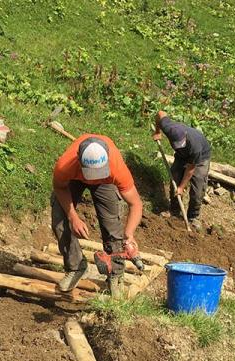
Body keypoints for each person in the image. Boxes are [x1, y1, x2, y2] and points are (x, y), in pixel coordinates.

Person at [52, 134, 143, 297]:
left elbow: (135, 203)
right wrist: (73, 216)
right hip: (75, 178)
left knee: (111, 226)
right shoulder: (65, 166)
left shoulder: (116, 168)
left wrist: (129, 235)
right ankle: (76, 267)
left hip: (106, 182)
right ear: (79, 161)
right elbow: (60, 188)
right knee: (60, 219)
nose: (94, 178)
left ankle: (115, 274)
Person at [152, 110, 212, 231]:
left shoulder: (195, 146)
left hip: (200, 159)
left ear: (185, 136)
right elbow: (160, 113)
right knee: (175, 176)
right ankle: (174, 210)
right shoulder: (168, 127)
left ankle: (193, 217)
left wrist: (181, 187)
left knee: (198, 188)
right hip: (182, 155)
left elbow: (190, 169)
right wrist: (157, 131)